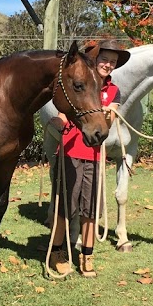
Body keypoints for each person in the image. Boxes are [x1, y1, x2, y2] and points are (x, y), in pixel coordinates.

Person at [48, 39, 130, 277]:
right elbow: (63, 110)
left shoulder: (113, 91)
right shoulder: (81, 82)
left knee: (90, 208)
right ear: (95, 60)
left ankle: (87, 254)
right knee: (64, 206)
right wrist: (60, 121)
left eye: (113, 62)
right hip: (71, 150)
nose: (108, 65)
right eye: (104, 59)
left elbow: (105, 126)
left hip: (95, 155)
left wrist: (111, 113)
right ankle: (57, 252)